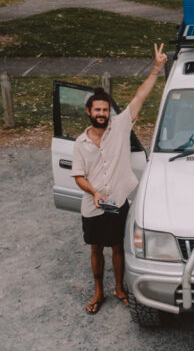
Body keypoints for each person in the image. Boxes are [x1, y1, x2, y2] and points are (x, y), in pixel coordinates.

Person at [71, 43, 167, 314]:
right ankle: (99, 291)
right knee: (95, 249)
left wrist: (157, 68)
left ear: (108, 112)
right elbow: (78, 176)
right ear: (89, 112)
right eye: (96, 110)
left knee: (117, 247)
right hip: (93, 206)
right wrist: (93, 192)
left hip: (118, 201)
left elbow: (139, 96)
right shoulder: (80, 143)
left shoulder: (121, 126)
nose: (101, 114)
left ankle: (120, 288)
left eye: (105, 110)